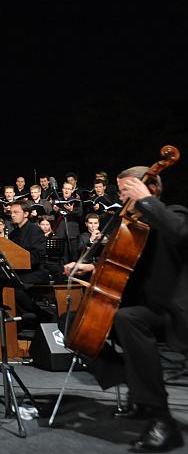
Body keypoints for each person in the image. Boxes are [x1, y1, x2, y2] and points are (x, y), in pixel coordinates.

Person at [63, 167, 187, 452]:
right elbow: (126, 264)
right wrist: (92, 266)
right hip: (141, 309)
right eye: (120, 192)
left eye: (125, 191)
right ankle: (135, 385)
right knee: (71, 322)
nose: (120, 198)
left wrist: (146, 201)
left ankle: (162, 420)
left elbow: (181, 234)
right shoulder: (133, 227)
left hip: (171, 312)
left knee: (127, 318)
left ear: (150, 189)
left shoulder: (175, 214)